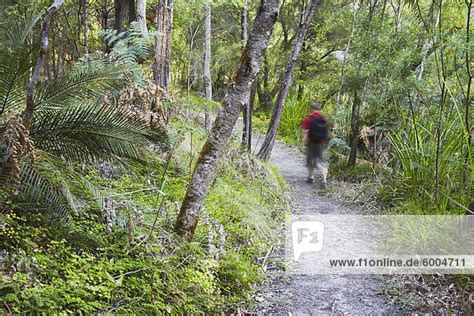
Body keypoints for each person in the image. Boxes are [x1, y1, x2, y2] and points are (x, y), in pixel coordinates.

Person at [301, 102, 331, 187]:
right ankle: (324, 180)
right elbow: (327, 132)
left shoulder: (308, 119)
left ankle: (311, 177)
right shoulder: (323, 119)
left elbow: (306, 132)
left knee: (311, 159)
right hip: (321, 143)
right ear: (319, 109)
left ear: (311, 108)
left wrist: (305, 142)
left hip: (311, 142)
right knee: (321, 160)